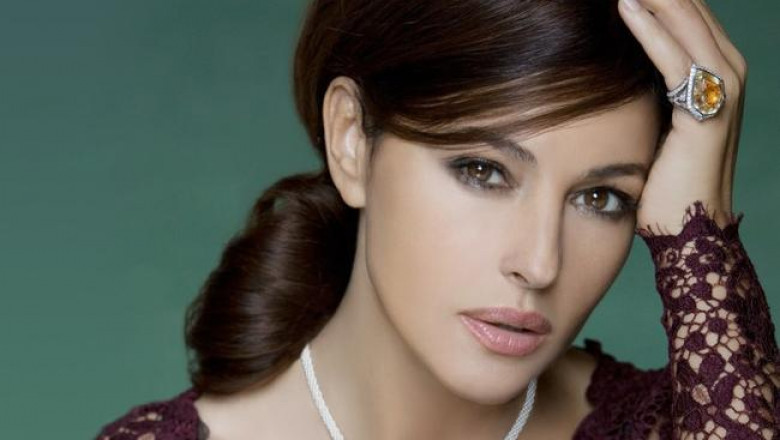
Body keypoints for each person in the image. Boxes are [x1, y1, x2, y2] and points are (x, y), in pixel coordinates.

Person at [96, 0, 779, 438]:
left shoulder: (686, 423)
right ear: (352, 140)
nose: (539, 263)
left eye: (602, 199)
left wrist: (699, 228)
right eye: (483, 171)